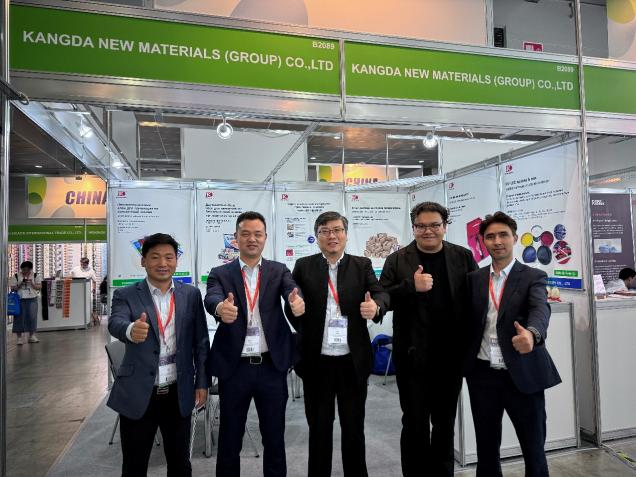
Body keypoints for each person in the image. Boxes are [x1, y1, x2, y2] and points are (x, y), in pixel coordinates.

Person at [287, 211, 390, 477]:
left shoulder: (361, 265)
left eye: (337, 230)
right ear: (317, 236)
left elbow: (380, 293)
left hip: (351, 362)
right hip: (317, 362)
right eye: (324, 231)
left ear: (345, 234)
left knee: (354, 430)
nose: (331, 236)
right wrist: (293, 307)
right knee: (319, 430)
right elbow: (293, 302)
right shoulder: (304, 266)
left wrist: (376, 306)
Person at [379, 201, 477, 476]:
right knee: (414, 424)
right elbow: (383, 297)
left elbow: (476, 298)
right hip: (412, 359)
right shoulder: (397, 259)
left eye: (434, 225)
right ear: (413, 228)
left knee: (445, 425)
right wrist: (411, 286)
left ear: (445, 226)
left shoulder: (462, 256)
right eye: (421, 226)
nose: (428, 231)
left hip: (450, 358)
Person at [205, 211, 305, 477]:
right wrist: (220, 308)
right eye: (246, 234)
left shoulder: (278, 270)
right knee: (230, 439)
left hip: (271, 367)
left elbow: (291, 289)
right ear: (236, 238)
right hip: (234, 369)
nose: (252, 239)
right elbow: (211, 297)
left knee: (274, 438)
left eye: (257, 234)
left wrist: (296, 301)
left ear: (265, 238)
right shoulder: (220, 273)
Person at [464, 212, 561, 477]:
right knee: (486, 448)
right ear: (483, 241)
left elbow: (540, 309)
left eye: (503, 235)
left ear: (515, 238)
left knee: (533, 448)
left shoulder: (533, 276)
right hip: (482, 374)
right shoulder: (474, 279)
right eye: (490, 236)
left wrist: (532, 334)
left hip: (522, 372)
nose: (497, 241)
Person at [107, 233, 210, 477]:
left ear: (176, 261)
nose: (162, 263)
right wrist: (130, 330)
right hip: (139, 392)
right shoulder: (126, 294)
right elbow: (115, 322)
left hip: (178, 391)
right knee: (134, 466)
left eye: (168, 257)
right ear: (143, 261)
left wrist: (201, 382)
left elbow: (201, 342)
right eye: (154, 257)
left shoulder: (191, 295)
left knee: (180, 465)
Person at [9, 260, 42, 345]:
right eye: (23, 269)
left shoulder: (35, 275)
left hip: (32, 298)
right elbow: (12, 288)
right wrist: (20, 284)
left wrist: (32, 284)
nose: (24, 271)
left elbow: (39, 287)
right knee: (18, 318)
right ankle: (19, 338)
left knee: (32, 317)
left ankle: (32, 336)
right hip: (19, 299)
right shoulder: (16, 276)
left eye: (26, 270)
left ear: (30, 269)